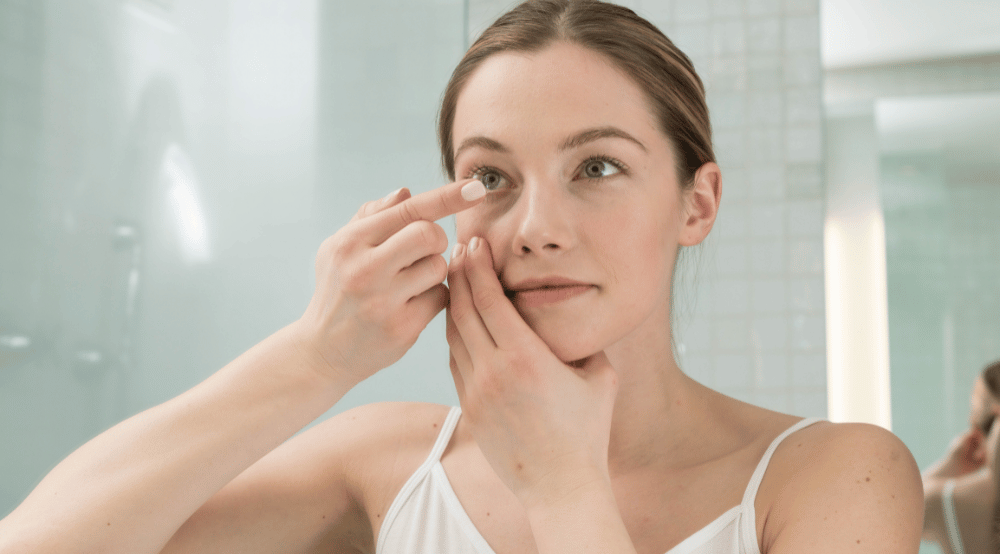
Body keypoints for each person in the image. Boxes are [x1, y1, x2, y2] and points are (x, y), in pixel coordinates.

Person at [0, 1, 923, 553]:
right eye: (490, 177)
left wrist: (564, 489)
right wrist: (316, 355)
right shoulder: (389, 464)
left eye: (596, 167)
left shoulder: (835, 476)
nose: (536, 228)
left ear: (697, 203)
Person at [923, 360, 1000, 554]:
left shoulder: (950, 502)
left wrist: (949, 466)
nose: (970, 420)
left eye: (976, 406)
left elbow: (897, 510)